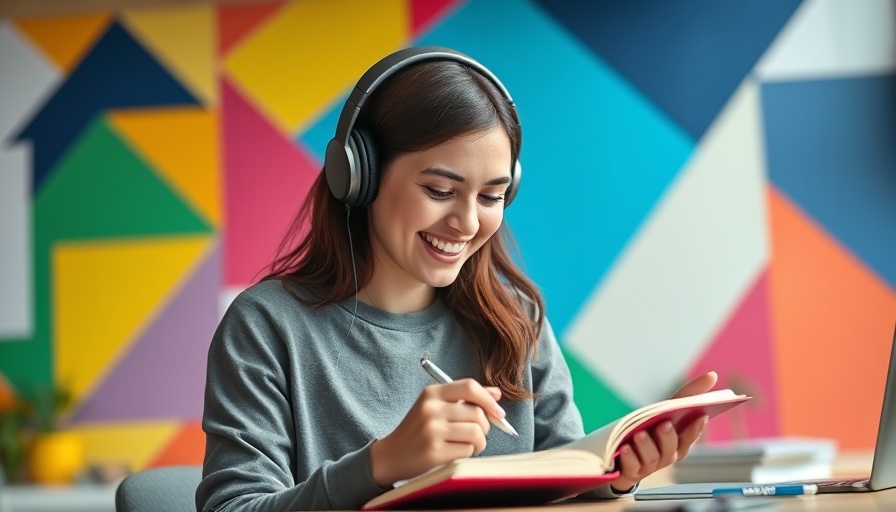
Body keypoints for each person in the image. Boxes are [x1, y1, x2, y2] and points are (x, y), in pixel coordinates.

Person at [196, 46, 717, 512]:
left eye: (491, 197)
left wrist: (617, 476)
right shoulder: (266, 325)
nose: (468, 224)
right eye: (441, 190)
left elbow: (566, 477)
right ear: (360, 178)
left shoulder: (517, 319)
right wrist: (379, 464)